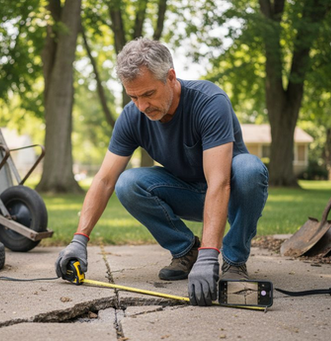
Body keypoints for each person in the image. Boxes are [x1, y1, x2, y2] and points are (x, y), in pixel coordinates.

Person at [55, 37, 268, 306]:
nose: (142, 106)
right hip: (187, 193)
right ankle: (186, 250)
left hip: (231, 191)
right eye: (133, 97)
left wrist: (210, 254)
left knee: (249, 168)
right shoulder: (133, 116)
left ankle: (235, 262)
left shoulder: (209, 101)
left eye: (148, 94)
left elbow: (220, 182)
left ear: (170, 77)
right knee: (127, 183)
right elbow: (105, 179)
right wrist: (79, 240)